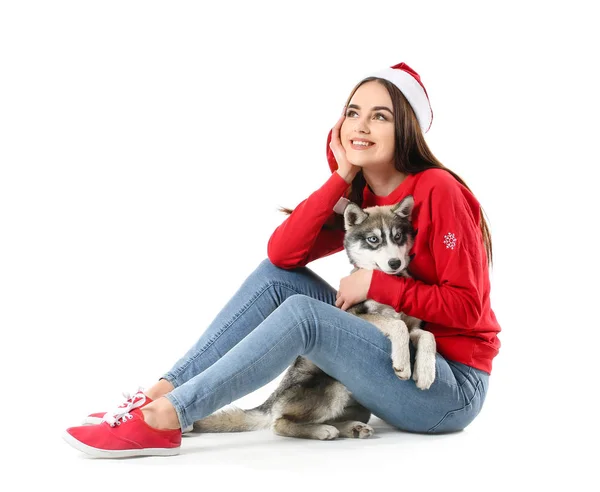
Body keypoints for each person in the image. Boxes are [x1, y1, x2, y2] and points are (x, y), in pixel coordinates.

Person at [63, 61, 501, 458]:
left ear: (406, 129)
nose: (361, 125)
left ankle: (167, 419)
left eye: (380, 116)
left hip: (449, 390)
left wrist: (375, 285)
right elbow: (282, 255)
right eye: (353, 112)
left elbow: (468, 308)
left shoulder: (437, 190)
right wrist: (342, 176)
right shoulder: (365, 199)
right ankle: (159, 393)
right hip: (393, 359)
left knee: (305, 316)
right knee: (277, 279)